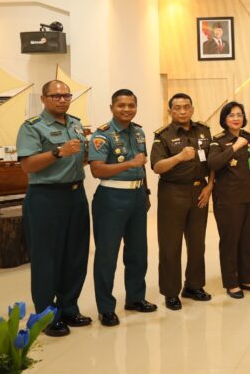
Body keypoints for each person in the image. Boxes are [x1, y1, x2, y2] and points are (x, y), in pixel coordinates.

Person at [16, 80, 91, 337]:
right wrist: (58, 152)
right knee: (46, 258)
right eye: (56, 96)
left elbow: (80, 158)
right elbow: (27, 165)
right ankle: (46, 316)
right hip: (45, 197)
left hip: (76, 195)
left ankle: (69, 308)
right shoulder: (32, 127)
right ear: (44, 99)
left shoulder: (75, 124)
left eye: (66, 95)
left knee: (76, 255)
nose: (62, 100)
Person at [89, 89, 157, 326]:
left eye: (131, 105)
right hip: (111, 198)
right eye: (121, 105)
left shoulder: (139, 132)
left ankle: (135, 298)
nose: (127, 109)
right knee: (107, 255)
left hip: (137, 196)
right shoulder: (102, 135)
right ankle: (106, 308)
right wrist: (129, 163)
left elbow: (142, 166)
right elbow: (97, 169)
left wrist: (145, 192)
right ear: (112, 108)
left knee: (138, 253)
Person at [150, 93, 214, 310]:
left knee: (197, 243)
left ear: (192, 109)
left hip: (199, 191)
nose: (183, 111)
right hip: (172, 193)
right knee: (170, 245)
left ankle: (194, 286)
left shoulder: (204, 131)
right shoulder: (163, 135)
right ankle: (170, 292)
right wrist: (179, 157)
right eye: (177, 108)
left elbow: (212, 161)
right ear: (170, 111)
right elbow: (157, 167)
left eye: (186, 107)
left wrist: (210, 186)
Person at [207, 102, 250, 299]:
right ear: (224, 119)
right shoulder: (218, 141)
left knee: (248, 240)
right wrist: (235, 147)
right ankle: (231, 283)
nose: (236, 118)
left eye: (239, 114)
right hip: (228, 199)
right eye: (231, 115)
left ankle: (246, 279)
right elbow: (213, 163)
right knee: (230, 241)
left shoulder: (248, 137)